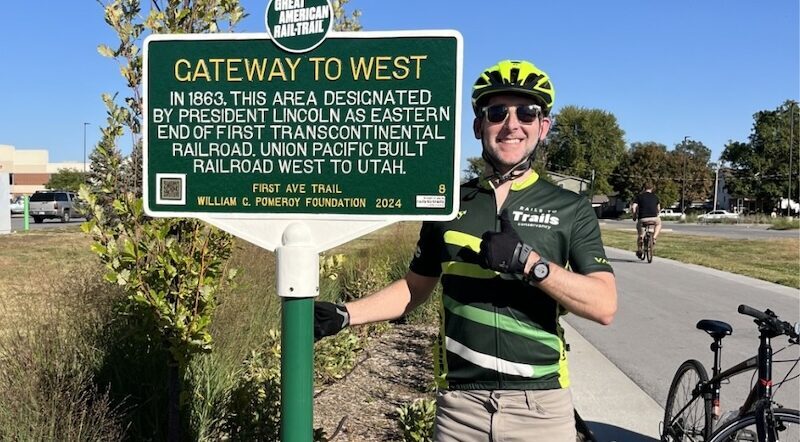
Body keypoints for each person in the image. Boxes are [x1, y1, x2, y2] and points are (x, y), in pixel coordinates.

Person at [314, 59, 617, 441]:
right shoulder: (449, 204)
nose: (512, 124)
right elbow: (414, 289)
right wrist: (345, 315)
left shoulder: (569, 207)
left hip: (540, 406)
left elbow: (604, 305)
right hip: (460, 409)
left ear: (543, 127)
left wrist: (530, 264)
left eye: (526, 112)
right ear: (478, 126)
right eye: (497, 112)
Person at [631, 183, 661, 258]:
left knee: (640, 234)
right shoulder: (655, 197)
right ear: (652, 189)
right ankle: (654, 238)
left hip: (642, 218)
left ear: (644, 188)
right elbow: (658, 208)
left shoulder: (639, 196)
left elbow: (633, 207)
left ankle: (640, 247)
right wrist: (657, 213)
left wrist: (634, 216)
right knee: (658, 224)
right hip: (654, 218)